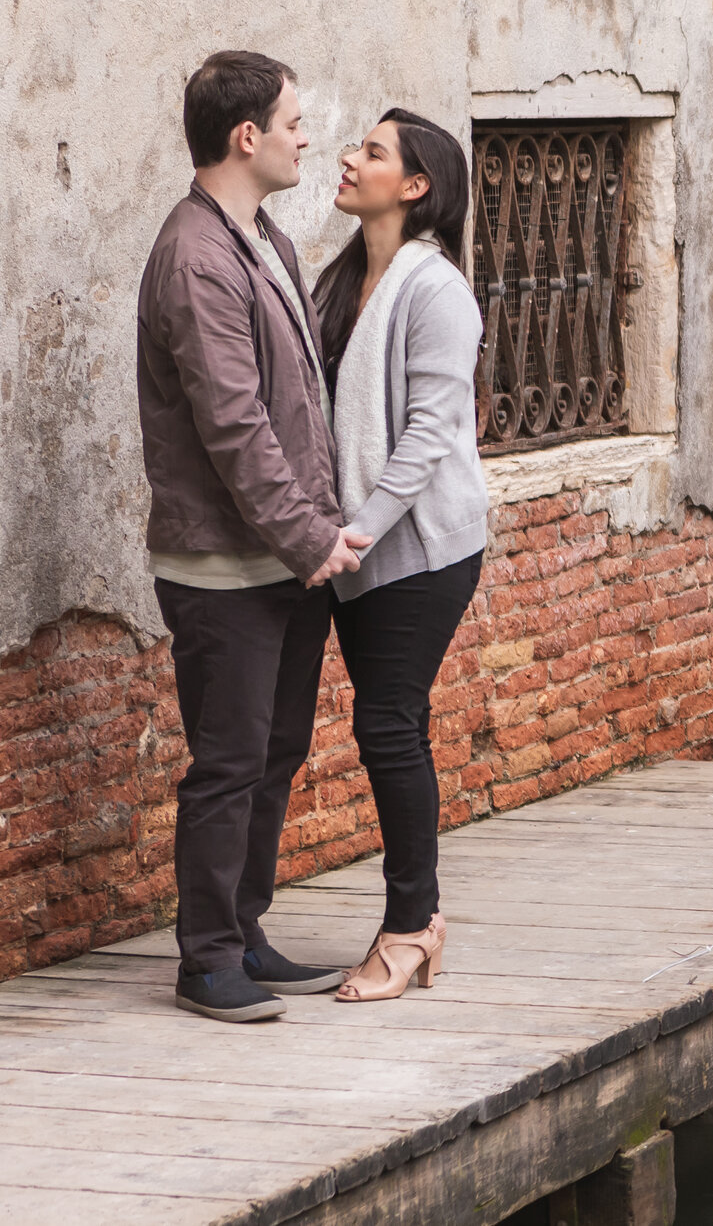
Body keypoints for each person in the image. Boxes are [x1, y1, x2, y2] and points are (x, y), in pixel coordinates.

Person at [140, 51, 370, 1023]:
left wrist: (310, 537)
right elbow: (237, 426)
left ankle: (246, 930)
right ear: (246, 137)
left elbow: (298, 402)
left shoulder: (260, 233)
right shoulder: (196, 256)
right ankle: (207, 961)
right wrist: (311, 536)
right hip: (225, 565)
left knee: (272, 756)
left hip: (277, 557)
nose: (306, 135)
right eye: (292, 121)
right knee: (230, 762)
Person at [312, 109, 486, 1003]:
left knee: (386, 724)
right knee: (392, 725)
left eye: (372, 152)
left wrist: (360, 528)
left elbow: (429, 431)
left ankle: (412, 925)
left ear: (415, 187)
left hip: (421, 547)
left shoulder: (435, 290)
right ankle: (421, 918)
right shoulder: (344, 281)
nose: (349, 157)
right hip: (361, 541)